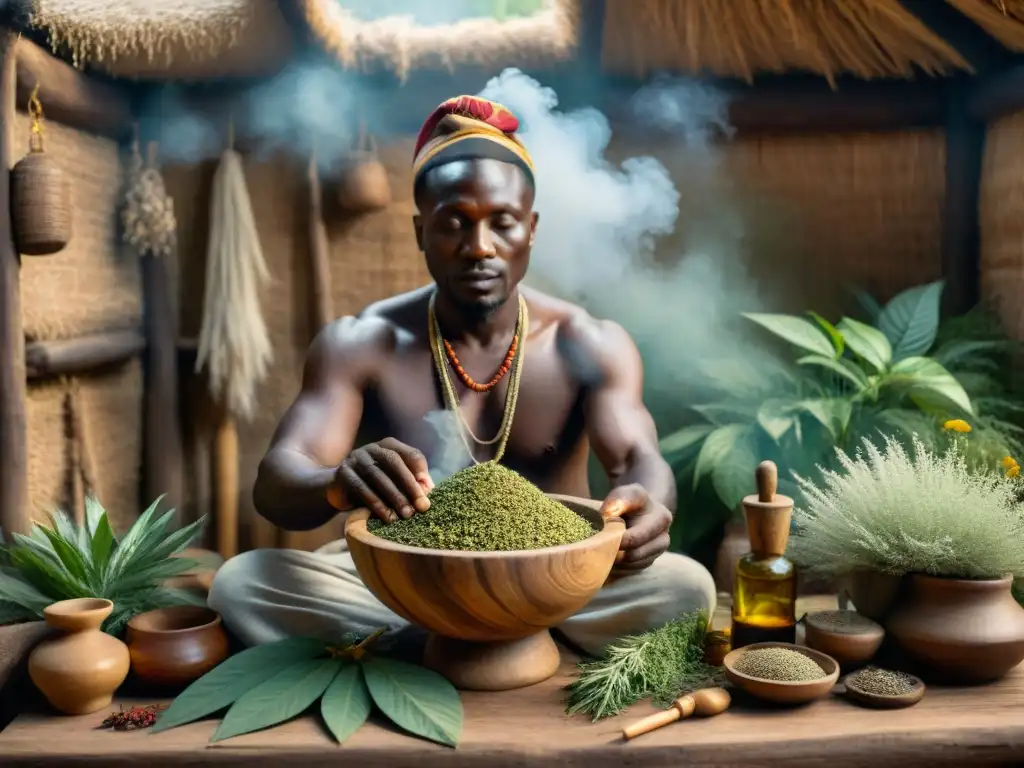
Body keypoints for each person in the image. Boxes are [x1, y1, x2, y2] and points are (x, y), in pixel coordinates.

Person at [208, 95, 716, 656]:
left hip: (558, 580)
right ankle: (493, 639)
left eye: (502, 223)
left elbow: (637, 461)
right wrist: (334, 481)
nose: (480, 248)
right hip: (404, 582)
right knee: (242, 582)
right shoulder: (361, 343)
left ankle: (434, 645)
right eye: (454, 224)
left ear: (532, 228)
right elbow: (278, 481)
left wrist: (650, 503)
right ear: (421, 231)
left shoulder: (587, 342)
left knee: (687, 586)